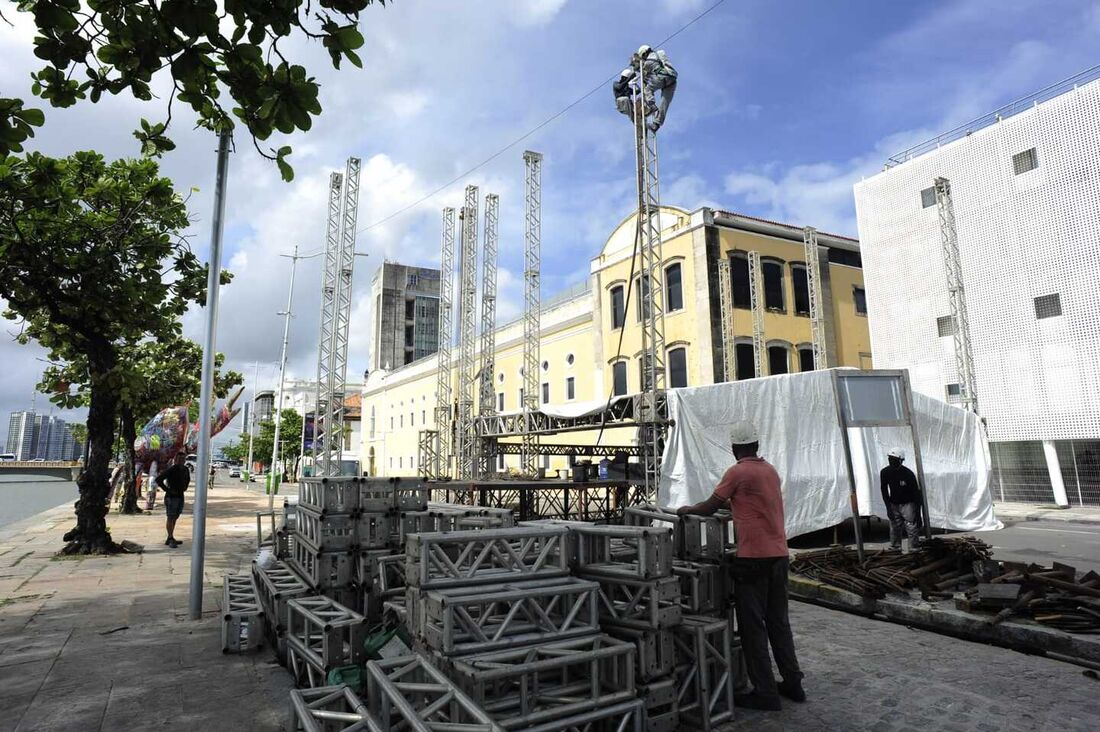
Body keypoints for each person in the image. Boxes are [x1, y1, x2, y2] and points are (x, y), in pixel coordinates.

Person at [676, 420, 804, 711]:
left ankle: (765, 693)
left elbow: (709, 506)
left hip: (753, 560)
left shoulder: (737, 472)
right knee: (778, 623)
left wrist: (686, 510)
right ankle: (793, 682)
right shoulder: (769, 471)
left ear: (735, 449)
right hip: (779, 556)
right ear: (756, 446)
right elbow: (749, 504)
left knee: (752, 628)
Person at [881, 448, 923, 550]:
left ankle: (913, 548)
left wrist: (918, 513)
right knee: (894, 527)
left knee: (911, 526)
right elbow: (884, 490)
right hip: (893, 503)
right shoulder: (885, 472)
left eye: (894, 459)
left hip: (908, 504)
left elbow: (916, 494)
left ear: (900, 460)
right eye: (890, 459)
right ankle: (895, 547)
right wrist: (888, 508)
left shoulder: (908, 474)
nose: (891, 461)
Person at [155, 453, 190, 548]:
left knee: (175, 516)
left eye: (183, 459)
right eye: (179, 459)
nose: (181, 461)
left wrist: (185, 486)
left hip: (180, 495)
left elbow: (187, 479)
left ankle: (170, 536)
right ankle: (170, 538)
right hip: (171, 497)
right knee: (170, 517)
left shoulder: (185, 469)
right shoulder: (172, 469)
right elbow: (158, 479)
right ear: (175, 460)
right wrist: (167, 490)